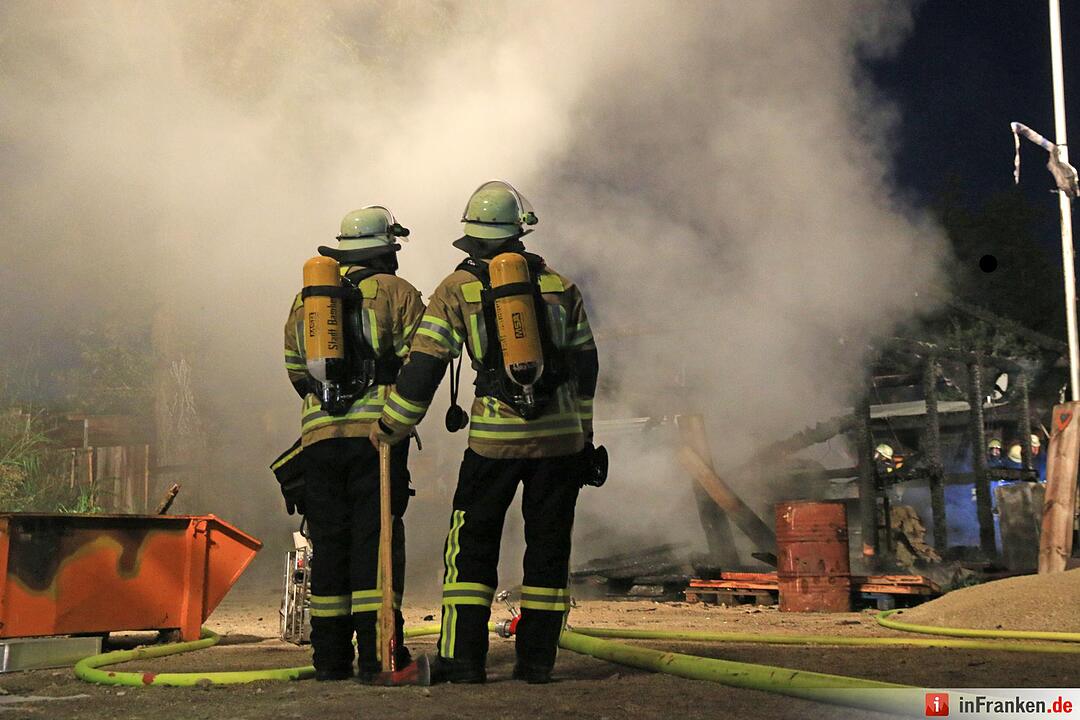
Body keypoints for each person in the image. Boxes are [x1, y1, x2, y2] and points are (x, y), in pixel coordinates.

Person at [371, 180, 600, 684]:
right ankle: (537, 662)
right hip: (561, 443)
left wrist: (393, 425)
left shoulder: (458, 290)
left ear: (472, 237)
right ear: (521, 232)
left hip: (493, 443)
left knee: (471, 546)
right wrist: (582, 431)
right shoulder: (561, 286)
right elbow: (587, 366)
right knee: (548, 548)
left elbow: (425, 366)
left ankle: (463, 660)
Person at [274, 207, 424, 681]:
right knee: (374, 543)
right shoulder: (397, 293)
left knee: (330, 545)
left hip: (319, 439)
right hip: (375, 438)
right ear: (385, 250)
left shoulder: (308, 302)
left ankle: (330, 661)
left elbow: (297, 370)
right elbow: (421, 361)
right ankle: (381, 656)